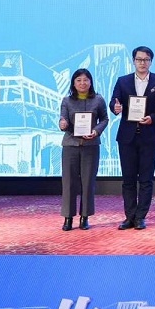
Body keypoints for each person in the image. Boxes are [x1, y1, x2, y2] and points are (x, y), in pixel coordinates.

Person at [111, 46, 155, 230]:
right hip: (127, 136)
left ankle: (140, 217)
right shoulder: (123, 81)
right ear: (133, 61)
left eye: (146, 59)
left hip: (149, 135)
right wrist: (115, 108)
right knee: (128, 179)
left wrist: (153, 117)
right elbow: (114, 101)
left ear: (151, 61)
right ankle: (129, 216)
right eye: (139, 59)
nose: (142, 63)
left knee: (146, 179)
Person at [58, 68, 109, 231]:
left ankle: (85, 217)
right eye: (78, 80)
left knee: (88, 182)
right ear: (73, 83)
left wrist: (96, 131)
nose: (82, 83)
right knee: (69, 183)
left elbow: (105, 119)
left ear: (90, 82)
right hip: (70, 145)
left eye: (85, 80)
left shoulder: (98, 100)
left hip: (90, 146)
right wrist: (62, 124)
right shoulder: (66, 101)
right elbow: (63, 120)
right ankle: (68, 218)